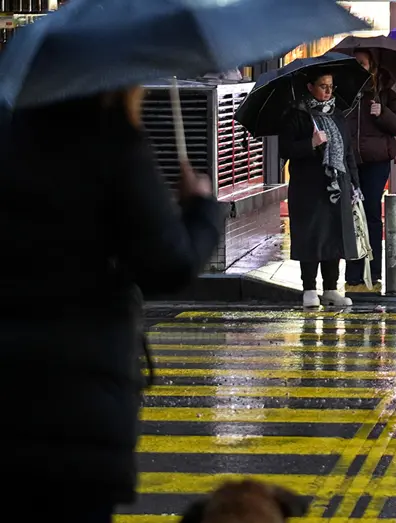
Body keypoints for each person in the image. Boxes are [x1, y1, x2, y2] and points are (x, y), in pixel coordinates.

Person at [0, 87, 222, 520]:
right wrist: (201, 210)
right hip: (81, 396)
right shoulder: (113, 145)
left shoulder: (9, 140)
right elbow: (167, 266)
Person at [280, 71, 359, 307]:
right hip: (308, 186)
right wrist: (311, 143)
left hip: (337, 185)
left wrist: (355, 183)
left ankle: (331, 288)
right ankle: (309, 288)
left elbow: (347, 152)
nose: (328, 91)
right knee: (311, 236)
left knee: (334, 235)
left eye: (331, 86)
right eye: (323, 86)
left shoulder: (338, 115)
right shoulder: (297, 115)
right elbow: (285, 150)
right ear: (310, 87)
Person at [344, 50, 396, 286]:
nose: (358, 67)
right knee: (351, 214)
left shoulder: (386, 94)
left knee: (370, 211)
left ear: (372, 66)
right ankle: (353, 272)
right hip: (349, 162)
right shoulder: (345, 92)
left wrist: (383, 113)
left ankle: (374, 269)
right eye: (355, 63)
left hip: (376, 161)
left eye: (362, 63)